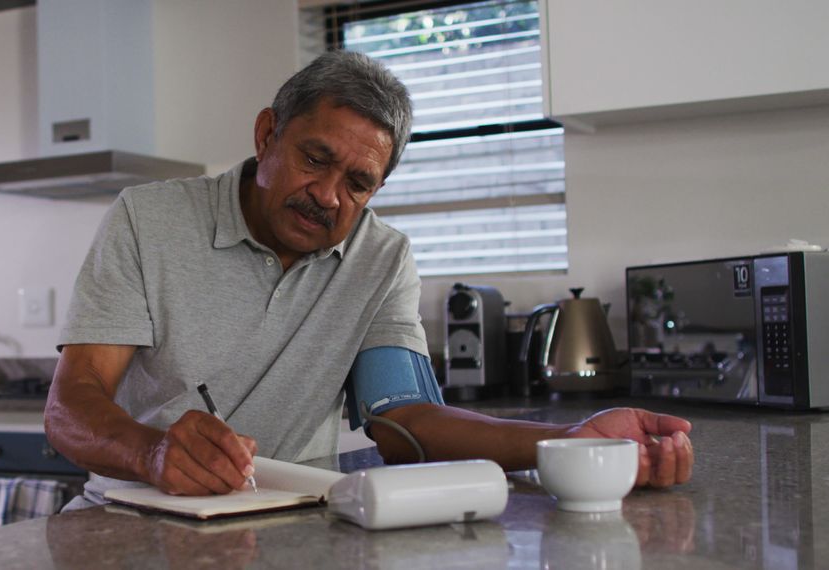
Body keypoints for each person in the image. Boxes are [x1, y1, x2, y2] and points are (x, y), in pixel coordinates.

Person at [45, 51, 694, 509]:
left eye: (358, 183)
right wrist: (155, 454)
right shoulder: (147, 219)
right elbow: (71, 407)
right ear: (268, 133)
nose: (327, 196)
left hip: (292, 528)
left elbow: (404, 424)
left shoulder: (381, 257)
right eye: (314, 158)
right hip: (138, 516)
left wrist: (570, 443)